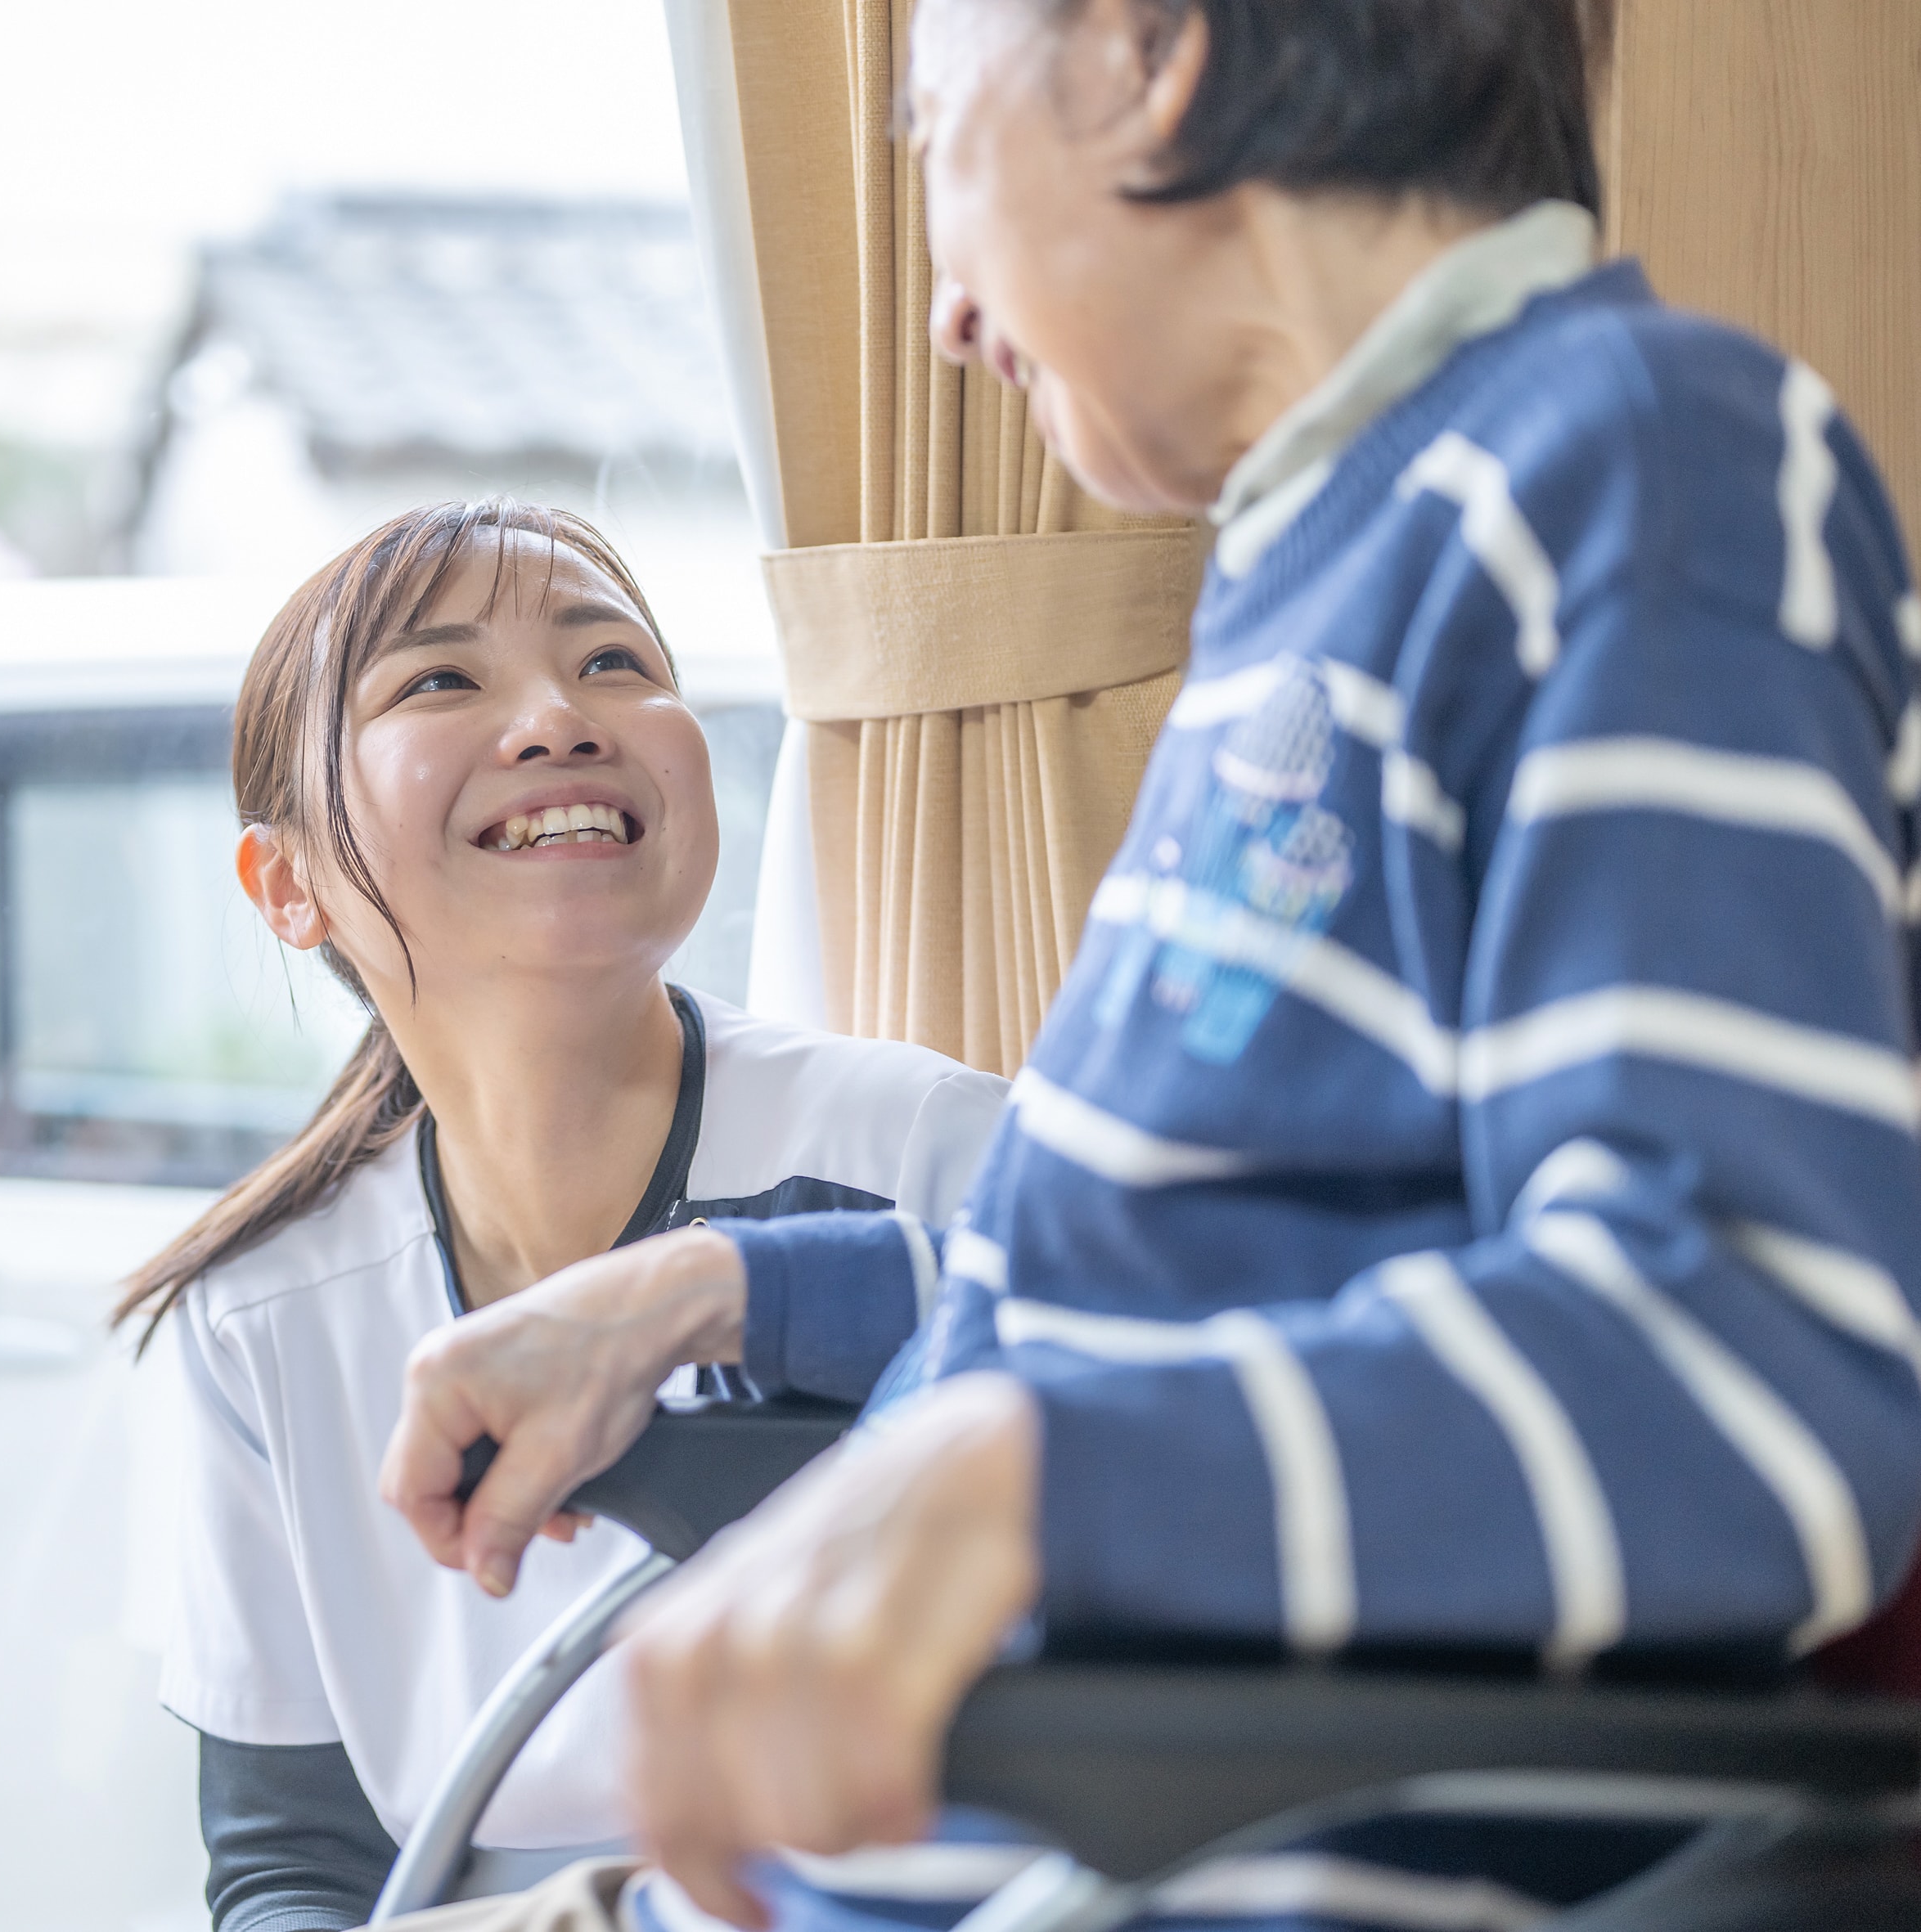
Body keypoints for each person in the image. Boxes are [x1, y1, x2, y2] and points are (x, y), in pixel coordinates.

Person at [375, 2, 1921, 1929]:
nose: (940, 308)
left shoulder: (1641, 465)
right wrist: (710, 1290)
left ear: (1139, 52)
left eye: (931, 131)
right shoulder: (1318, 563)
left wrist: (1018, 1472)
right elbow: (1218, 1278)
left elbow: (1744, 1365)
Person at [127, 501, 1012, 1932]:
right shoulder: (263, 1311)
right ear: (286, 884)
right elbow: (296, 1866)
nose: (558, 719)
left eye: (612, 661)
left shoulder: (922, 1150)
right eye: (440, 679)